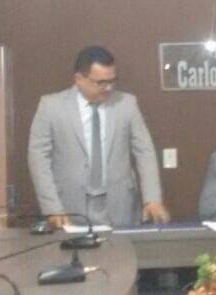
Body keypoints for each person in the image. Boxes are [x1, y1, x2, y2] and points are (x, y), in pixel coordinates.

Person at [29, 45, 170, 228]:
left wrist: (152, 198)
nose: (108, 87)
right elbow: (38, 159)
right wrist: (52, 207)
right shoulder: (51, 106)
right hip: (68, 207)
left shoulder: (127, 104)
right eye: (101, 82)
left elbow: (144, 151)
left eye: (112, 81)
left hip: (120, 205)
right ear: (79, 79)